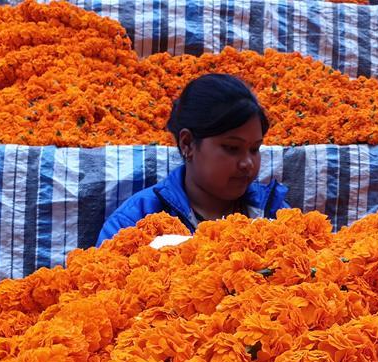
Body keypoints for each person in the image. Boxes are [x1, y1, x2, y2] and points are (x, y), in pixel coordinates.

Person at [95, 74, 290, 247]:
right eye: (232, 148)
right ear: (187, 144)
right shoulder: (133, 222)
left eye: (254, 149)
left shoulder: (275, 213)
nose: (247, 163)